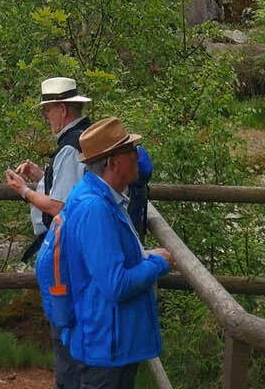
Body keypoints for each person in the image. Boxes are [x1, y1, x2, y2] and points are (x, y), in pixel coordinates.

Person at [61, 118, 171, 389]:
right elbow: (116, 285)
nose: (137, 156)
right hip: (106, 347)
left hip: (107, 340)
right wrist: (158, 263)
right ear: (112, 163)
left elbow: (105, 262)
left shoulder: (101, 197)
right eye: (130, 150)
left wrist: (141, 256)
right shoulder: (96, 208)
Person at [5, 78, 92, 389]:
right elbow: (77, 190)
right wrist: (43, 177)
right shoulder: (89, 137)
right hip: (86, 247)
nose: (45, 118)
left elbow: (60, 206)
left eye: (47, 111)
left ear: (61, 109)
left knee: (64, 325)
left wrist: (24, 191)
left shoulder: (70, 147)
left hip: (69, 252)